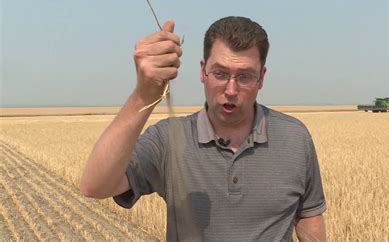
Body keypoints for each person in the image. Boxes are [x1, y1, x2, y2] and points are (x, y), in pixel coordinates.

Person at [81, 16, 327, 241]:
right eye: (220, 73)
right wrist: (144, 94)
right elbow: (96, 185)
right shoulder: (169, 139)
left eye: (245, 77)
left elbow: (308, 214)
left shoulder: (294, 137)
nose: (231, 90)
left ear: (261, 78)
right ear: (202, 71)